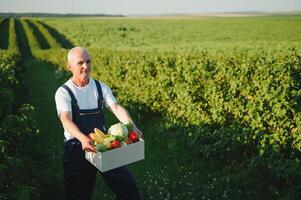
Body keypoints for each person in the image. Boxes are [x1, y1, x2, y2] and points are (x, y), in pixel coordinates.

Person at [55, 47, 142, 200]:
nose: (86, 66)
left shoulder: (100, 87)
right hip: (76, 148)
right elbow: (66, 120)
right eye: (80, 63)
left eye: (88, 62)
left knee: (128, 189)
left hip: (103, 145)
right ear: (70, 66)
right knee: (78, 194)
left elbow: (116, 108)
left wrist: (132, 126)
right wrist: (83, 139)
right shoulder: (64, 92)